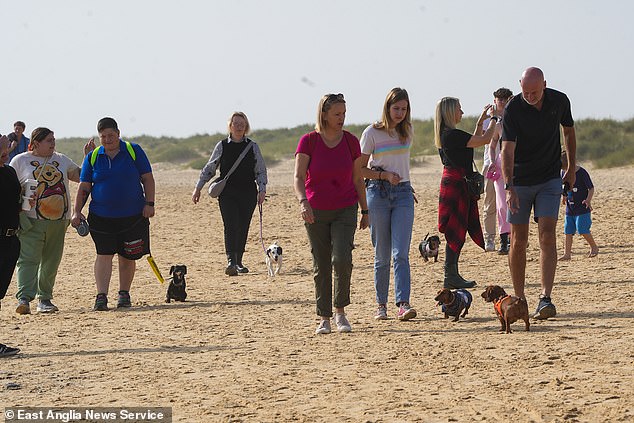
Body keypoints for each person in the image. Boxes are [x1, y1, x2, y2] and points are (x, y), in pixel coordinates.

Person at [500, 67, 577, 320]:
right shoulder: (513, 108)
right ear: (520, 85)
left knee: (547, 235)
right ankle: (520, 298)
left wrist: (572, 168)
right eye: (525, 92)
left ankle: (545, 298)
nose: (530, 97)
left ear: (544, 84)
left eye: (534, 92)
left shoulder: (559, 100)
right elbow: (507, 151)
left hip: (549, 179)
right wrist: (509, 187)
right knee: (518, 239)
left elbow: (568, 132)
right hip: (520, 181)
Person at [294, 93, 369, 334]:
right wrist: (303, 202)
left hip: (345, 208)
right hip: (315, 210)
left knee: (342, 259)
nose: (342, 118)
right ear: (324, 114)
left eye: (344, 113)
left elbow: (358, 178)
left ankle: (340, 312)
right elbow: (297, 177)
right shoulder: (309, 141)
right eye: (337, 114)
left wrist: (365, 209)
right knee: (322, 264)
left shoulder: (351, 141)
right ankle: (324, 317)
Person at [71, 117, 155, 311]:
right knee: (103, 254)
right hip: (101, 216)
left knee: (128, 256)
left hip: (133, 215)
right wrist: (77, 211)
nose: (108, 139)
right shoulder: (92, 157)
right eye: (103, 136)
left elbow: (148, 179)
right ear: (99, 137)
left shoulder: (134, 151)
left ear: (118, 133)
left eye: (111, 135)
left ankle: (124, 294)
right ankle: (101, 296)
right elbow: (84, 187)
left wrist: (149, 203)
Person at [359, 88, 417, 321]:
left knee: (400, 253)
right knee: (382, 255)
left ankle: (403, 303)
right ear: (387, 107)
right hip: (378, 193)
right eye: (396, 108)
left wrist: (401, 182)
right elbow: (359, 169)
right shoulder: (371, 132)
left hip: (403, 193)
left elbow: (402, 165)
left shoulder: (408, 131)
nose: (400, 113)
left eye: (404, 109)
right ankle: (381, 304)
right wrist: (383, 177)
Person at [9, 128, 81, 314]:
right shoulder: (20, 161)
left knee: (51, 260)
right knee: (28, 260)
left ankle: (45, 299)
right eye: (49, 140)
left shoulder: (62, 159)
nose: (53, 143)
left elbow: (80, 176)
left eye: (53, 139)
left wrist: (90, 159)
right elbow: (9, 185)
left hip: (59, 221)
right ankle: (24, 298)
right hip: (30, 220)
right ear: (36, 143)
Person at [192, 112, 267, 276]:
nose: (239, 126)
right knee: (231, 224)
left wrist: (262, 190)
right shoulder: (222, 145)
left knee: (243, 226)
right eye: (236, 123)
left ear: (246, 126)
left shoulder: (252, 146)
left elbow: (260, 170)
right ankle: (231, 261)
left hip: (248, 193)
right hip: (227, 193)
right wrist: (198, 188)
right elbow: (209, 168)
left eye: (242, 123)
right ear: (230, 126)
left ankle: (239, 261)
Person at [434, 97, 497, 289]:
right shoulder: (451, 135)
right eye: (459, 109)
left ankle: (451, 274)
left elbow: (473, 141)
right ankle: (450, 275)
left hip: (455, 182)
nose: (462, 112)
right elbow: (484, 140)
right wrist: (496, 119)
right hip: (456, 184)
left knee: (457, 228)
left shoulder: (447, 134)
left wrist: (480, 122)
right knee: (456, 229)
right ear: (450, 112)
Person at [483, 88, 514, 255]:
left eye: (505, 99)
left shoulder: (519, 120)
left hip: (517, 166)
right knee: (498, 204)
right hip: (497, 165)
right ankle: (499, 238)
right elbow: (491, 144)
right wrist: (493, 162)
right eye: (499, 99)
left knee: (516, 204)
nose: (502, 102)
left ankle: (515, 238)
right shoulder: (494, 123)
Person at [0, 134, 23, 356]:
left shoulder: (9, 171)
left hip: (10, 240)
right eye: (3, 149)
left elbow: (15, 202)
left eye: (7, 149)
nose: (6, 152)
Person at [559, 151, 597, 260]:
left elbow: (591, 188)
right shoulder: (562, 172)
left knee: (582, 229)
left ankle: (594, 247)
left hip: (582, 207)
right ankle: (567, 254)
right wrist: (564, 196)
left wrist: (588, 200)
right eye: (564, 169)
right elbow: (565, 187)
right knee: (568, 231)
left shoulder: (582, 173)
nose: (566, 171)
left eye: (567, 168)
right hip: (570, 209)